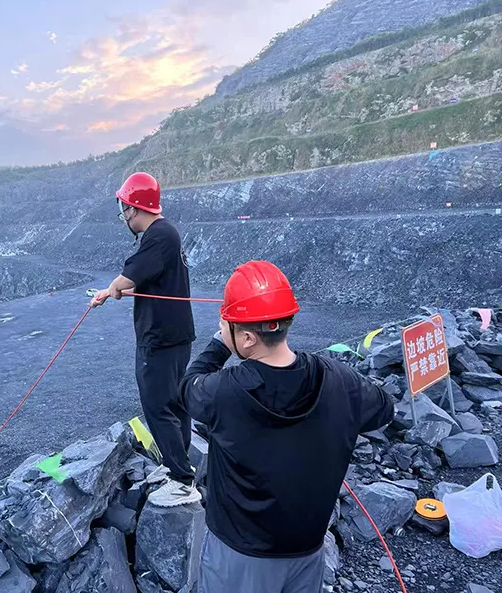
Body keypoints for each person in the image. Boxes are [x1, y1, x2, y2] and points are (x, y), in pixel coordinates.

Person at [179, 260, 394, 592]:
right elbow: (384, 409)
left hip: (239, 556)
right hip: (307, 551)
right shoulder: (340, 379)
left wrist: (220, 344)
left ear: (248, 338)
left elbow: (188, 387)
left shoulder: (224, 392)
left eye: (232, 327)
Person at [90, 172, 199, 507]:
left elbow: (128, 276)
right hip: (175, 335)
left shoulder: (156, 235)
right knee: (175, 403)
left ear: (135, 207)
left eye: (125, 208)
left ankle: (182, 481)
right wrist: (120, 289)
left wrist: (112, 289)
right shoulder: (166, 234)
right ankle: (176, 465)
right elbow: (151, 279)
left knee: (158, 406)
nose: (124, 215)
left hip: (161, 339)